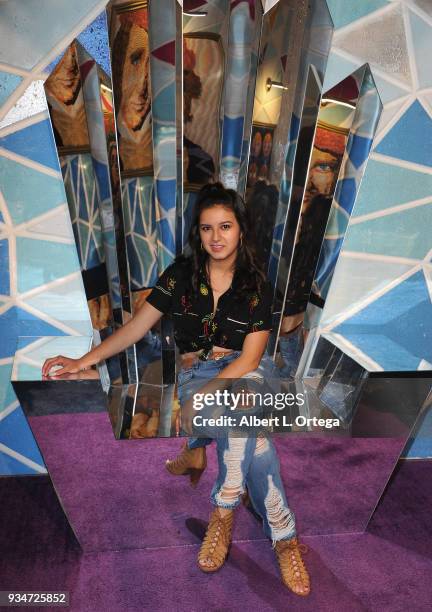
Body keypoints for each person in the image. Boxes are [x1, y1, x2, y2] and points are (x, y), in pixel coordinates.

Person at [42, 183, 310, 597]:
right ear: (197, 234)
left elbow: (250, 360)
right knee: (256, 444)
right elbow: (135, 327)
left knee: (241, 407)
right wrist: (84, 360)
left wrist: (212, 393)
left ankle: (224, 507)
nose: (216, 237)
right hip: (197, 374)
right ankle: (284, 536)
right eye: (207, 229)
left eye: (225, 226)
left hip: (247, 373)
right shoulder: (180, 275)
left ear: (241, 230)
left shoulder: (257, 284)